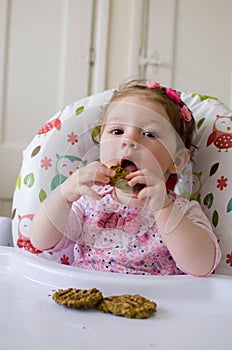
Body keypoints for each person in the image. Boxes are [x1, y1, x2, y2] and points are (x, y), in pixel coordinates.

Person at [30, 79, 221, 276]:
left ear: (177, 160)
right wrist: (64, 195)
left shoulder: (181, 212)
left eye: (149, 134)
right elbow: (41, 241)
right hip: (89, 298)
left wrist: (164, 209)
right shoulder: (88, 202)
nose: (129, 140)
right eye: (117, 131)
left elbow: (202, 266)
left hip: (156, 303)